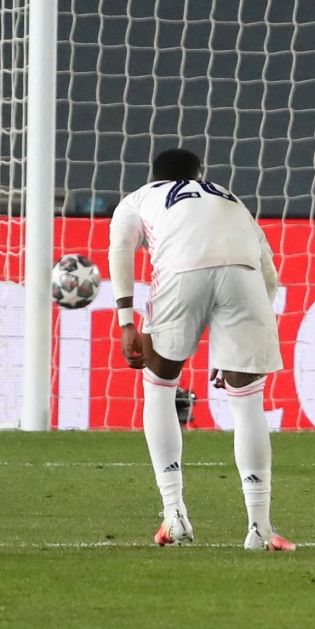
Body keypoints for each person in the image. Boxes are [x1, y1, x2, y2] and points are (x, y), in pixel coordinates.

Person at [109, 148, 291, 551]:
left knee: (158, 388)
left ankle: (174, 516)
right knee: (247, 403)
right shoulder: (228, 196)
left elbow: (120, 249)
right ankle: (259, 530)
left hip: (180, 272)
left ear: (152, 175)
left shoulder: (138, 198)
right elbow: (269, 271)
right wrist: (239, 349)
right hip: (244, 279)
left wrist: (126, 322)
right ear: (200, 174)